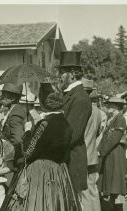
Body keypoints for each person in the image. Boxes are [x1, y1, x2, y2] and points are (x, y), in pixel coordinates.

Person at [1, 83, 81, 211]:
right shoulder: (66, 123)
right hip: (60, 173)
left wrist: (27, 132)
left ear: (44, 103)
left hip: (41, 173)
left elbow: (28, 152)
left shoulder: (44, 124)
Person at [58, 51, 92, 204]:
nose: (59, 76)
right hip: (64, 160)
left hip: (71, 161)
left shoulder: (80, 98)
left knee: (71, 204)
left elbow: (71, 135)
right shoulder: (69, 94)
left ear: (72, 74)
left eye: (61, 73)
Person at [97, 96, 127, 211]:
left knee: (114, 181)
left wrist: (102, 151)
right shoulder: (114, 118)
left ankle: (114, 207)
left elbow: (114, 138)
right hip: (111, 152)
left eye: (110, 105)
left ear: (116, 107)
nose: (108, 107)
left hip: (115, 153)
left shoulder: (120, 119)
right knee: (109, 180)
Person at [1, 83, 33, 185]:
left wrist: (9, 156)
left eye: (4, 94)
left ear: (13, 98)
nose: (2, 97)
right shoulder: (15, 110)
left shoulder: (16, 113)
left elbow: (18, 140)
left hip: (14, 160)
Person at [81, 78, 102, 211]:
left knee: (83, 192)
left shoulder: (81, 108)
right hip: (93, 155)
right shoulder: (97, 111)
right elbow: (98, 131)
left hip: (82, 155)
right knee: (92, 190)